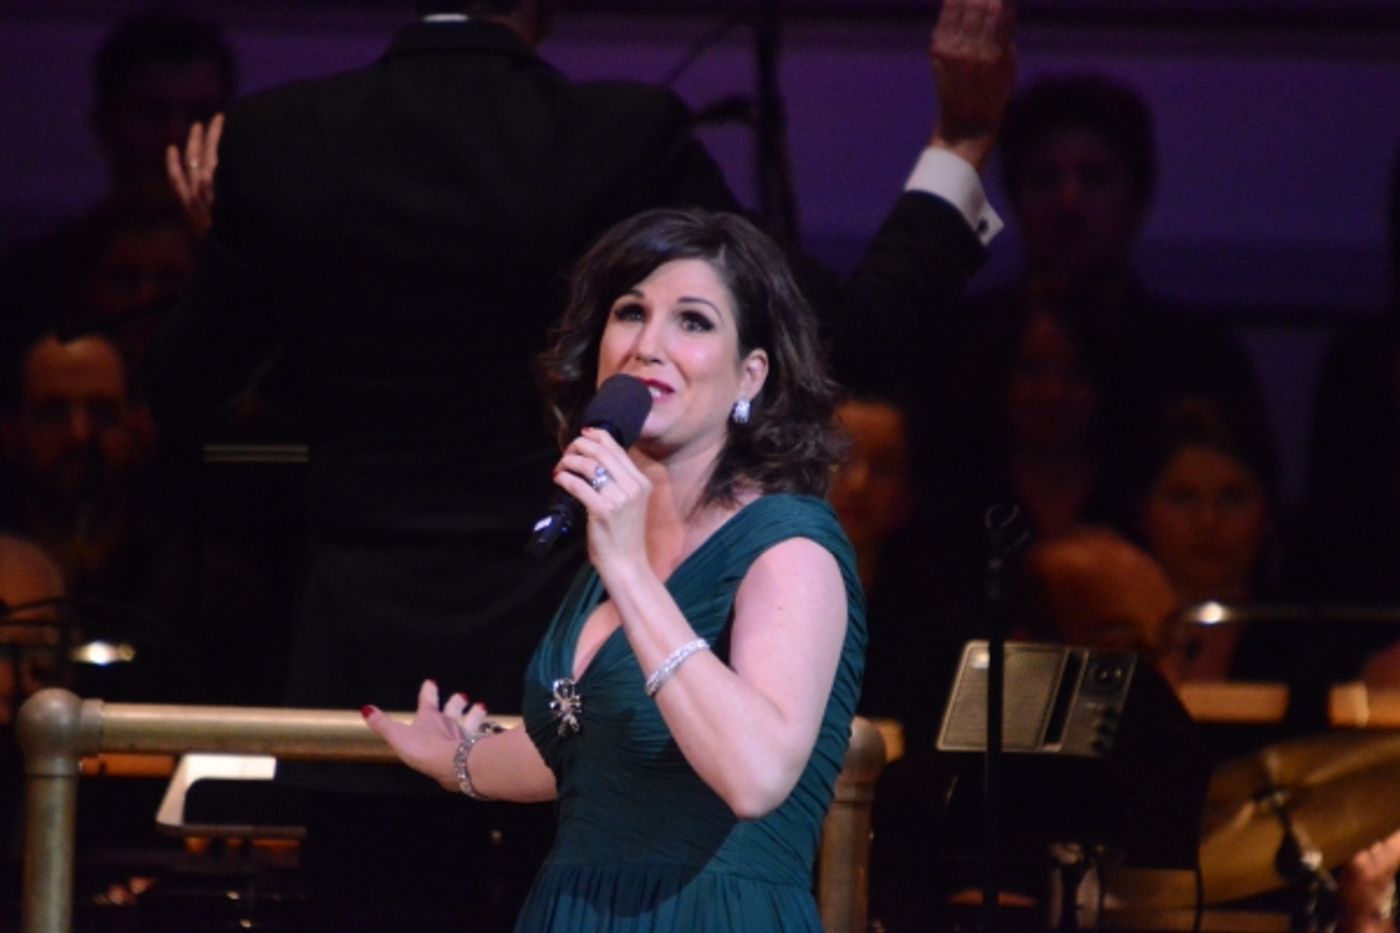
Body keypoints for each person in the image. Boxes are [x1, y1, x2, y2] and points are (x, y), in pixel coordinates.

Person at [364, 207, 864, 931]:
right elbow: (591, 755)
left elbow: (755, 773)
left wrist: (630, 571)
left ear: (750, 373)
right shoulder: (605, 556)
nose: (648, 345)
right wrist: (461, 760)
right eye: (631, 313)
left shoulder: (789, 548)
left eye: (692, 322)